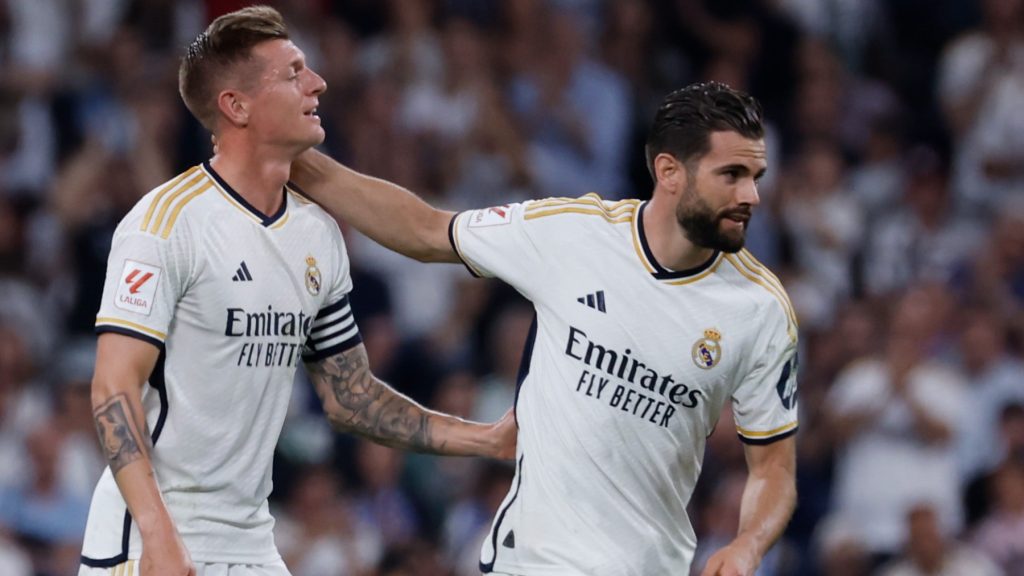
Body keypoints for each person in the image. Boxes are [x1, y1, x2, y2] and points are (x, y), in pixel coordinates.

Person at [291, 81, 799, 576]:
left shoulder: (760, 309)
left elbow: (773, 468)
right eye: (731, 174)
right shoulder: (573, 233)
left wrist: (749, 545)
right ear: (669, 171)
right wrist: (295, 161)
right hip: (529, 561)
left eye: (756, 175)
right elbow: (425, 230)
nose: (751, 194)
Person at [78, 7, 515, 576]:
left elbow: (351, 396)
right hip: (150, 533)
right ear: (235, 106)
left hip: (252, 540)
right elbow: (114, 387)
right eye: (293, 73)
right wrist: (158, 535)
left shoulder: (317, 235)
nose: (318, 83)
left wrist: (486, 439)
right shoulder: (164, 224)